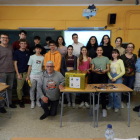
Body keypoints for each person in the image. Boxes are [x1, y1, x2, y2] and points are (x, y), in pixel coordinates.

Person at [91, 46, 110, 117]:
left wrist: (105, 70)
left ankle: (104, 108)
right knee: (95, 91)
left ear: (102, 51)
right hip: (95, 76)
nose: (99, 51)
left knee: (103, 93)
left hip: (103, 77)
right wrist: (95, 70)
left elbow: (108, 68)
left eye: (100, 50)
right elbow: (92, 69)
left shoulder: (106, 58)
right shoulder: (93, 59)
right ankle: (97, 104)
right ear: (96, 51)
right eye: (98, 50)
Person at [0, 33, 17, 112]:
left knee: (10, 88)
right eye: (3, 37)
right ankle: (1, 106)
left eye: (6, 38)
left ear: (8, 39)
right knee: (2, 89)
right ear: (0, 39)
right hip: (1, 72)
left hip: (11, 71)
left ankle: (9, 103)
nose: (5, 39)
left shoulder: (10, 47)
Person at [26, 44, 44, 109]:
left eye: (39, 49)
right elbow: (29, 66)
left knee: (39, 89)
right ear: (35, 49)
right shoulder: (31, 57)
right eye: (37, 49)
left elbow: (43, 67)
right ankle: (32, 101)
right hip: (32, 75)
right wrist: (28, 76)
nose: (38, 50)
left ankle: (37, 101)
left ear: (41, 50)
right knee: (32, 89)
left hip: (40, 75)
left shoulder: (42, 58)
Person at [13, 39, 30, 108]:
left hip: (27, 72)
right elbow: (15, 63)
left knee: (30, 86)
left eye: (25, 43)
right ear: (19, 44)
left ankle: (33, 99)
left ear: (26, 45)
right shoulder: (16, 52)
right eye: (22, 43)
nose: (23, 45)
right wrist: (17, 74)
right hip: (20, 73)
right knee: (19, 88)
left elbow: (30, 64)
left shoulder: (28, 52)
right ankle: (20, 100)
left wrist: (28, 75)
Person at [120, 43, 137, 108]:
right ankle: (121, 101)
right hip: (124, 75)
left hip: (132, 75)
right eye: (129, 47)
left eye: (131, 47)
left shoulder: (135, 56)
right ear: (126, 48)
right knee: (123, 89)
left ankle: (127, 102)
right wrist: (122, 76)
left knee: (129, 88)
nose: (130, 48)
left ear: (133, 48)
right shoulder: (122, 56)